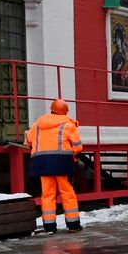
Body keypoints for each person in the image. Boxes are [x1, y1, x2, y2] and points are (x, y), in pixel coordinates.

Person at [24, 98, 83, 235]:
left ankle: (49, 227)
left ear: (51, 110)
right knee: (67, 193)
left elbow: (29, 140)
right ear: (64, 112)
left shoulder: (38, 124)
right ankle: (73, 224)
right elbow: (78, 146)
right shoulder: (69, 125)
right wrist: (72, 155)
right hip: (62, 163)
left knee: (47, 195)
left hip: (42, 163)